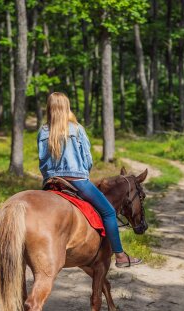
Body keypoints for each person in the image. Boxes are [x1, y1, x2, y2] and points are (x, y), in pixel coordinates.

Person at [37, 92, 142, 268]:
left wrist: (49, 177)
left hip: (51, 182)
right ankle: (121, 256)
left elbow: (42, 162)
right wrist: (84, 173)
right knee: (108, 212)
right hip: (76, 180)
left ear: (49, 108)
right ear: (67, 107)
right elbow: (87, 160)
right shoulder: (76, 129)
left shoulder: (43, 131)